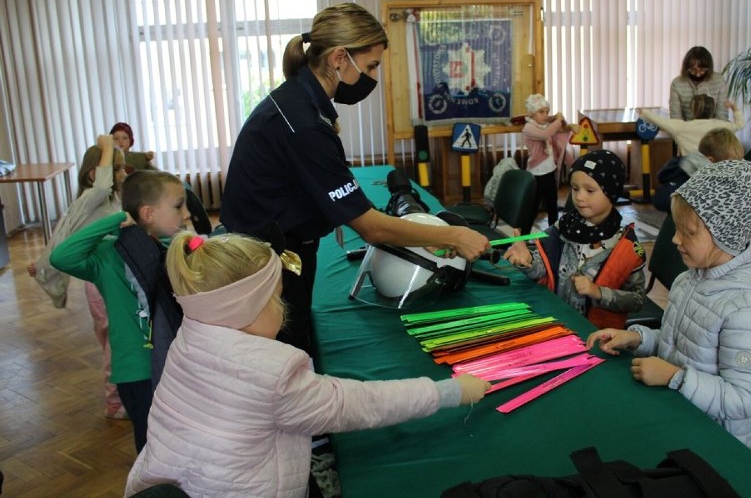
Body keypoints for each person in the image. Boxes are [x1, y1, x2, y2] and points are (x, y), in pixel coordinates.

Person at [124, 232, 491, 498]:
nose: (283, 311)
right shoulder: (272, 374)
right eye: (275, 300)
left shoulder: (187, 338)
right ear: (244, 310)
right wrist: (448, 391)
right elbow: (358, 404)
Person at [219, 3, 489, 354]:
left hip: (269, 253)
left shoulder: (299, 103)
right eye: (371, 65)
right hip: (264, 267)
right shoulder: (304, 123)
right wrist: (453, 235)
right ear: (339, 59)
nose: (373, 77)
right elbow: (372, 229)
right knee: (287, 358)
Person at [587, 160, 751, 458]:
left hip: (722, 450)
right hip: (683, 422)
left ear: (725, 233)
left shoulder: (747, 312)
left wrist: (674, 377)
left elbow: (746, 399)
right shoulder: (690, 278)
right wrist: (639, 339)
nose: (675, 239)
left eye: (688, 233)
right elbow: (682, 342)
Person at [50, 171, 190, 453]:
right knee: (151, 443)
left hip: (171, 361)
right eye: (178, 206)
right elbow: (60, 257)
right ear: (148, 213)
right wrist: (116, 219)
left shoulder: (166, 250)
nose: (186, 214)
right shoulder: (106, 256)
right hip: (136, 370)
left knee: (175, 437)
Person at [28, 134, 127, 419]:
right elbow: (64, 233)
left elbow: (63, 231)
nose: (122, 173)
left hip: (106, 281)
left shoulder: (107, 199)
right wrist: (107, 146)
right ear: (97, 174)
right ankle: (115, 402)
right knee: (113, 342)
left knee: (112, 339)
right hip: (100, 285)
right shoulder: (93, 197)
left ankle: (120, 393)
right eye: (117, 168)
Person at [503, 150, 646, 327]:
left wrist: (599, 293)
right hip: (555, 324)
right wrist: (529, 261)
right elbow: (543, 271)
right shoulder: (563, 227)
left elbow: (637, 300)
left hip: (597, 337)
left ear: (611, 193)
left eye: (590, 190)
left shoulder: (626, 246)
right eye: (575, 188)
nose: (579, 197)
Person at [653, 126, 745, 214]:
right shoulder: (691, 176)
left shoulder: (703, 167)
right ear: (710, 161)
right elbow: (661, 200)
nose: (732, 169)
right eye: (730, 166)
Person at [522, 93, 579, 226]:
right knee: (532, 208)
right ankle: (523, 238)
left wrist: (567, 125)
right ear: (531, 113)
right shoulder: (529, 128)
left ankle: (554, 233)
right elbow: (545, 135)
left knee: (552, 205)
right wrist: (557, 120)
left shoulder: (545, 125)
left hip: (549, 171)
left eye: (547, 111)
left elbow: (559, 130)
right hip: (536, 174)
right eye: (541, 112)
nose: (545, 114)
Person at [638, 98, 745, 156]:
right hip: (714, 170)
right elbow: (740, 124)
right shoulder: (722, 125)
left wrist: (644, 112)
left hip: (688, 175)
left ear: (692, 110)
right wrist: (733, 107)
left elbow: (661, 121)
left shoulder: (682, 127)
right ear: (713, 110)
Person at [668, 46, 728, 120]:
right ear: (686, 68)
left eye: (702, 69)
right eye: (693, 69)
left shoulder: (719, 81)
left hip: (713, 128)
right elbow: (676, 117)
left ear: (709, 68)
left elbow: (722, 115)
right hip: (686, 128)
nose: (697, 73)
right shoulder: (676, 84)